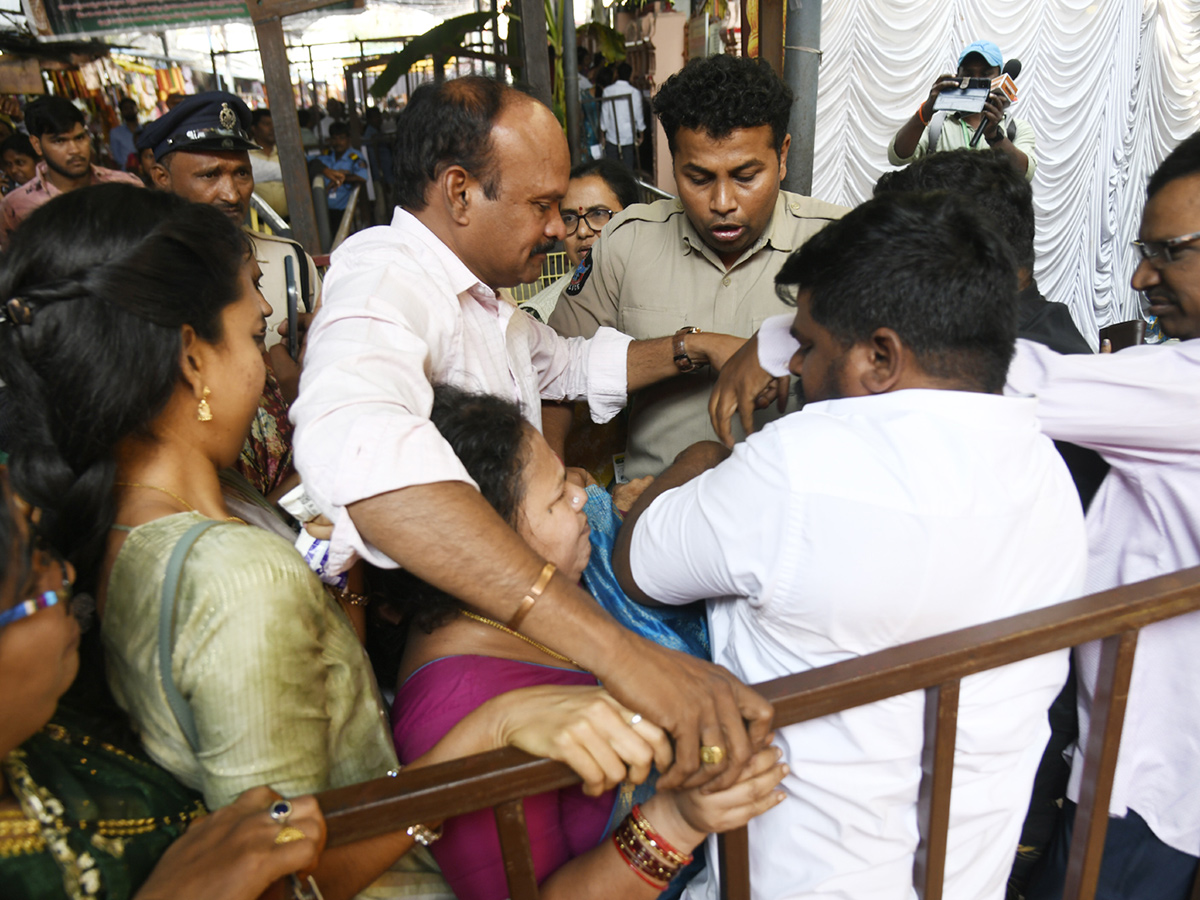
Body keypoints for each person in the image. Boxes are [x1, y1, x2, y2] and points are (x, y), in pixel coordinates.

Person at [0, 183, 683, 900]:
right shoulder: (234, 574)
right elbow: (286, 875)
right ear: (192, 358)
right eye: (252, 329)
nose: (270, 346)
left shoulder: (151, 516)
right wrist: (484, 736)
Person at [291, 75, 773, 791]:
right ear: (459, 192)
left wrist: (700, 345)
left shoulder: (487, 299)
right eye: (542, 206)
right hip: (468, 632)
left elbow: (570, 364)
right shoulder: (381, 284)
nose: (557, 228)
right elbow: (358, 456)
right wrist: (618, 651)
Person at [613, 191, 1088, 900]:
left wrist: (702, 457)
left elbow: (639, 566)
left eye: (807, 344)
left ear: (880, 356)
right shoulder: (1046, 472)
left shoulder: (800, 465)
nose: (795, 367)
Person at [384, 386, 783, 900]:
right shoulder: (456, 712)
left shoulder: (517, 612)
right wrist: (678, 820)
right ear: (487, 543)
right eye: (556, 497)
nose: (581, 495)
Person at [0, 466, 331, 900]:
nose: (66, 575)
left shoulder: (54, 727)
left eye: (45, 551)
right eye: (35, 577)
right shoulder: (246, 576)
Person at [1014, 133, 1200, 900]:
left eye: (1171, 251)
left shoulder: (1184, 388)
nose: (1140, 276)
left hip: (1143, 788)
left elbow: (1011, 379)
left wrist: (782, 336)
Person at [549, 54, 847, 478]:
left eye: (746, 176)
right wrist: (551, 471)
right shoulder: (627, 241)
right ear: (673, 163)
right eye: (699, 178)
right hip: (646, 510)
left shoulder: (840, 246)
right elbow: (552, 374)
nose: (722, 203)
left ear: (782, 156)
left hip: (787, 515)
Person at [0, 96, 141, 250]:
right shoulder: (16, 206)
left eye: (80, 138)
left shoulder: (126, 186)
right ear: (37, 145)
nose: (74, 150)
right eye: (60, 141)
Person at [888, 39, 1035, 181]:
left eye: (985, 74)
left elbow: (1024, 174)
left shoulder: (1015, 128)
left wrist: (995, 137)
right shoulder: (936, 125)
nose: (975, 79)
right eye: (968, 73)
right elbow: (898, 157)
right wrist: (926, 110)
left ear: (1001, 78)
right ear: (957, 77)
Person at [521, 157, 640, 324]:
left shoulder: (663, 288)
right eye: (569, 218)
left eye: (598, 214)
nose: (582, 231)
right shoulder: (539, 318)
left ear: (633, 218)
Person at [315, 121, 368, 234]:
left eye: (341, 138)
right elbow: (310, 162)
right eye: (334, 138)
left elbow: (362, 177)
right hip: (326, 211)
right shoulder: (327, 155)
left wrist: (341, 178)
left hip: (346, 210)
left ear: (348, 140)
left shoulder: (354, 156)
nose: (338, 142)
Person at [600, 62, 645, 171]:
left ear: (617, 74)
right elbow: (638, 115)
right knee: (628, 169)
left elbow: (604, 114)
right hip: (628, 136)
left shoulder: (608, 91)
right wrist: (641, 135)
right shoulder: (634, 92)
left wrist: (602, 135)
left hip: (612, 134)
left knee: (612, 170)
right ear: (630, 75)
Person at [248, 108, 288, 219]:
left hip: (289, 222)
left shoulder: (286, 154)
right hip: (258, 225)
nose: (272, 128)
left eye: (274, 124)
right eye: (266, 124)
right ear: (254, 128)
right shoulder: (246, 155)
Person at [109, 97, 142, 172]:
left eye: (131, 107)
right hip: (128, 172)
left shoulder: (144, 129)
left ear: (136, 109)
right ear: (121, 112)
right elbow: (117, 156)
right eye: (125, 108)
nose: (129, 111)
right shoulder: (115, 133)